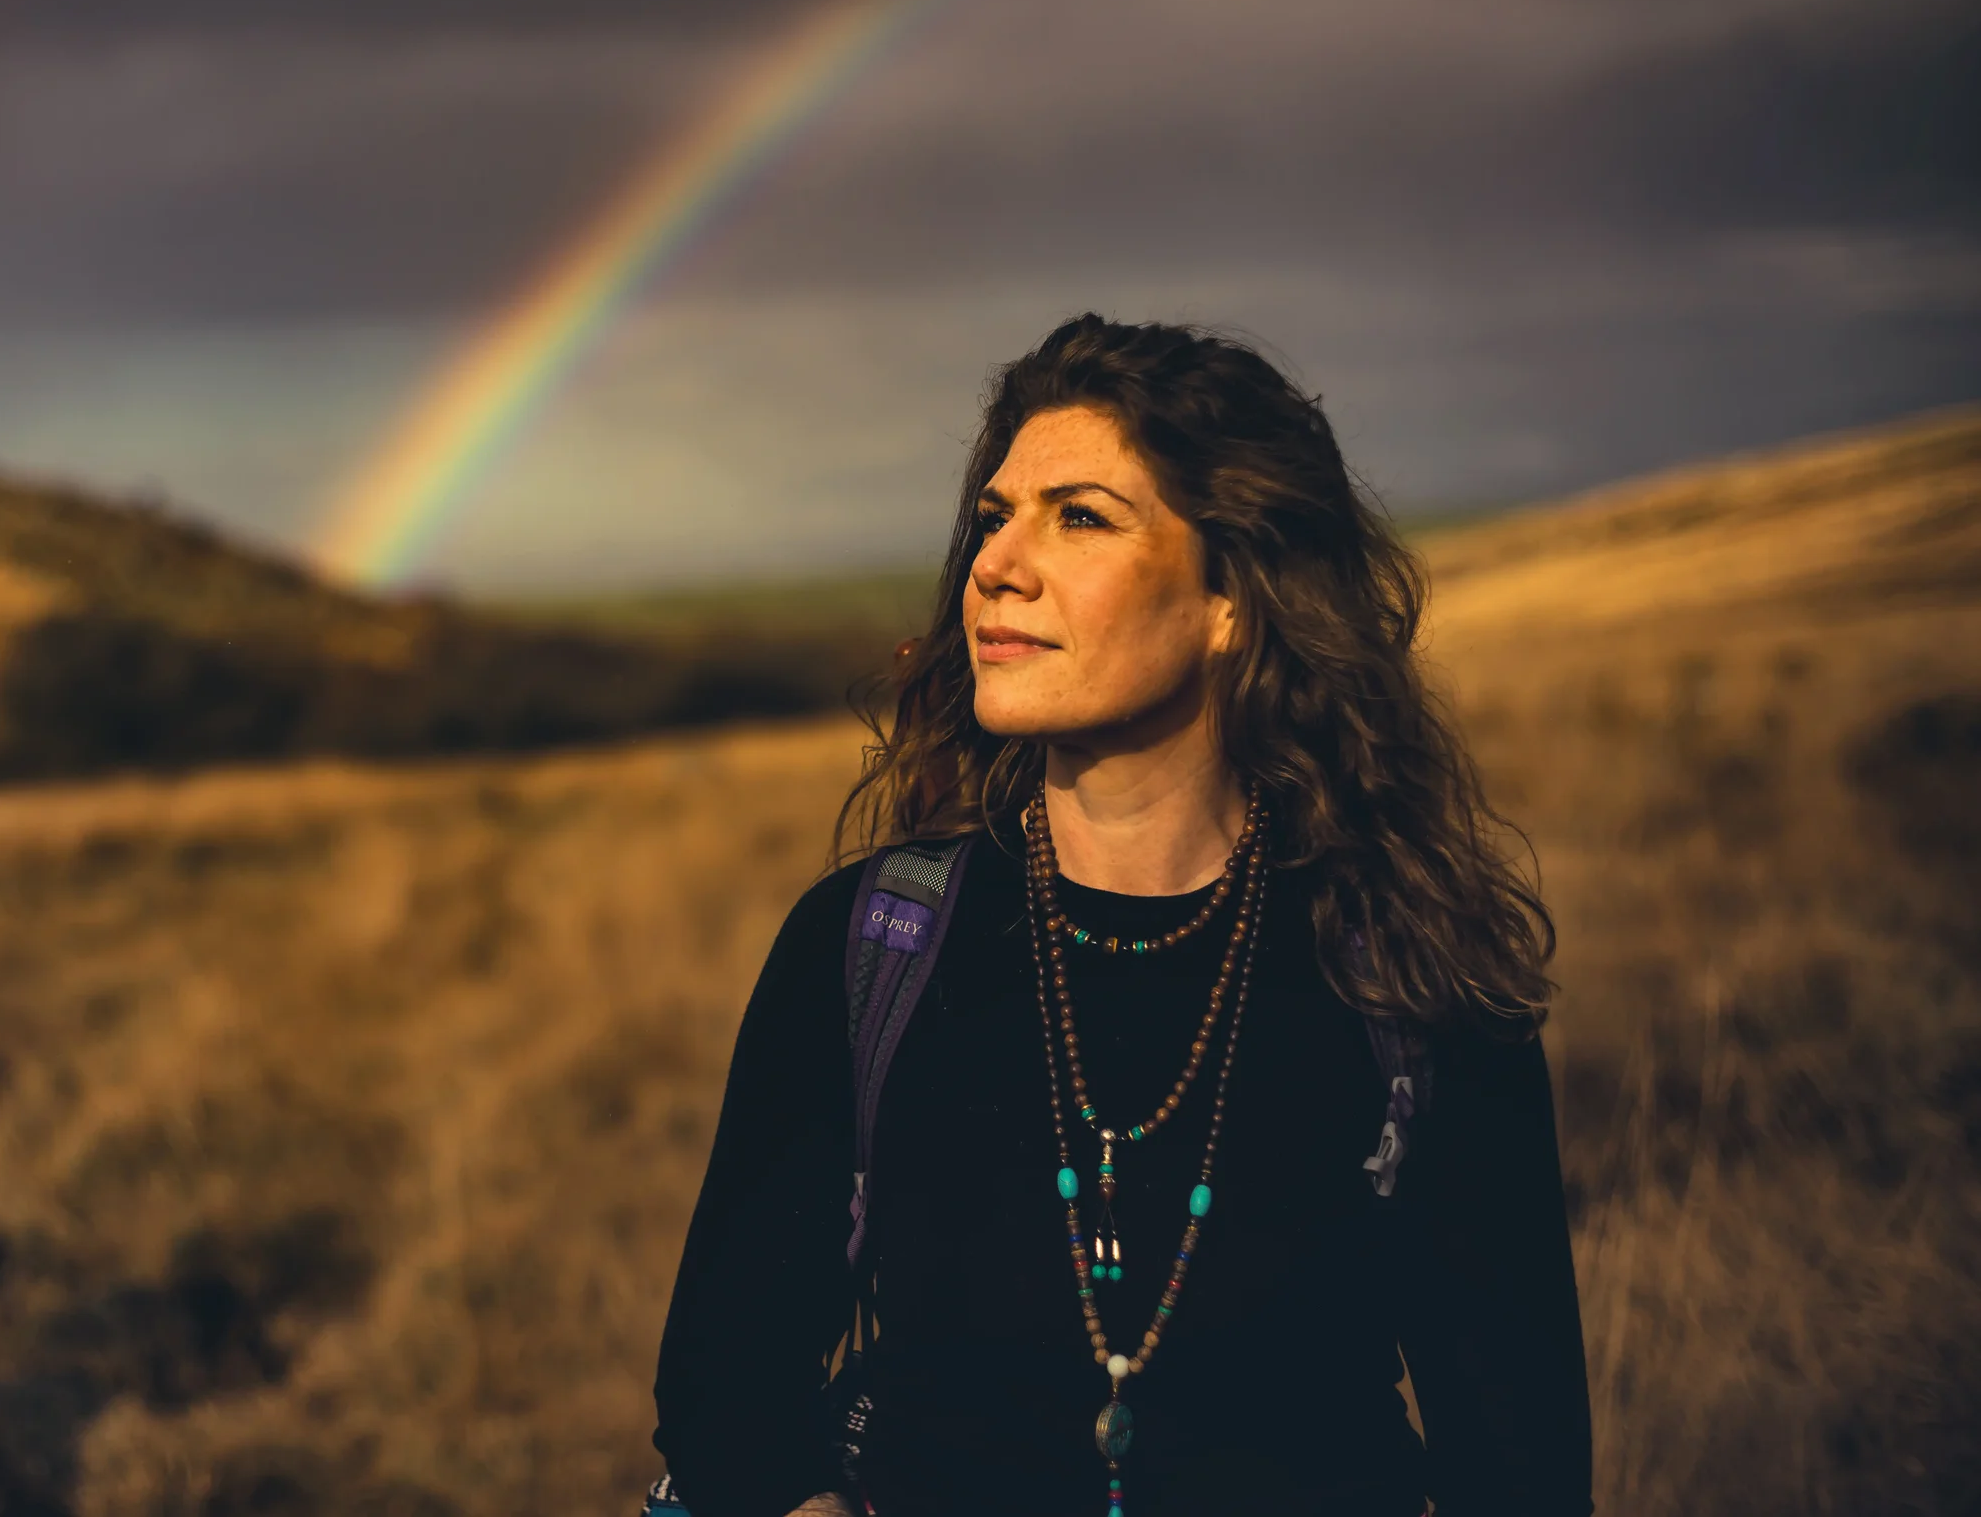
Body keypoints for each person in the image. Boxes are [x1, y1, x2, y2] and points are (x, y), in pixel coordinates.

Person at [650, 316, 1593, 1517]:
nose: (995, 563)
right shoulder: (872, 943)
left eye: (1079, 517)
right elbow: (727, 1380)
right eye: (994, 516)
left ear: (1232, 600)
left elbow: (1520, 1468)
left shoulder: (1404, 976)